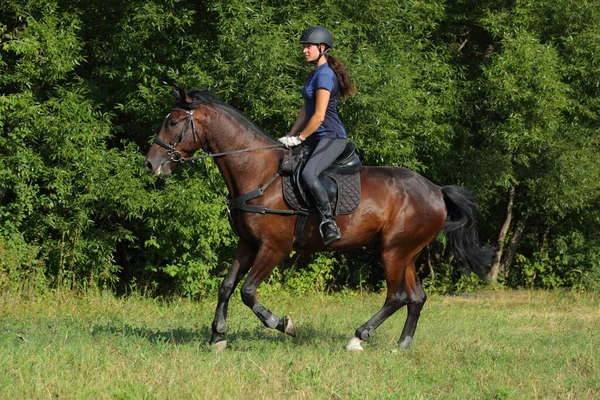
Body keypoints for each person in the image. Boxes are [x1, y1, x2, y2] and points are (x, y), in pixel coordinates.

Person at [278, 26, 357, 246]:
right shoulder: (314, 74)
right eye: (304, 47)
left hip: (331, 137)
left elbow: (319, 116)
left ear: (322, 48)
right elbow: (306, 110)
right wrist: (289, 136)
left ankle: (329, 222)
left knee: (309, 174)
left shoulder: (325, 76)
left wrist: (300, 138)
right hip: (314, 137)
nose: (304, 50)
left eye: (308, 46)